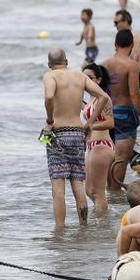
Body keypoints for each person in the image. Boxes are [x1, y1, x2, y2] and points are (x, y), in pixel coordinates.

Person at [42, 48, 110, 227]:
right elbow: (103, 96)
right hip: (77, 132)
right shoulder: (80, 77)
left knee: (58, 187)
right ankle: (83, 226)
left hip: (58, 133)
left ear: (50, 65)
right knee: (78, 184)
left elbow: (49, 96)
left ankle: (60, 229)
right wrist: (90, 123)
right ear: (66, 61)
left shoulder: (50, 76)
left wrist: (50, 119)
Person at [101, 30, 140, 190]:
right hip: (125, 114)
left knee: (110, 156)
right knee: (121, 158)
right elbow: (134, 95)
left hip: (106, 113)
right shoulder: (132, 65)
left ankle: (108, 194)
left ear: (115, 45)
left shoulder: (104, 65)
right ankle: (115, 196)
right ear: (131, 45)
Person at [81, 63, 114, 214]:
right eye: (83, 77)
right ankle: (101, 222)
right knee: (89, 191)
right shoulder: (91, 99)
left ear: (98, 80)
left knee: (97, 192)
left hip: (102, 145)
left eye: (90, 78)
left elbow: (110, 123)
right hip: (91, 146)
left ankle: (102, 226)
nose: (85, 81)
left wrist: (90, 126)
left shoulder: (104, 98)